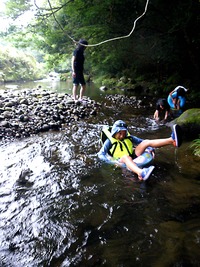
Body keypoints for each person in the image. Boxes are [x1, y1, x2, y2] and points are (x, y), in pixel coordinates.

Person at [98, 120, 182, 181]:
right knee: (126, 157)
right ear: (114, 132)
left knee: (146, 142)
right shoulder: (109, 141)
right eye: (119, 133)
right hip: (121, 160)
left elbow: (141, 142)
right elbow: (100, 154)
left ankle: (172, 140)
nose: (122, 136)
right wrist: (114, 163)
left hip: (133, 155)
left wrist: (150, 148)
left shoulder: (128, 137)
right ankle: (141, 172)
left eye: (123, 133)